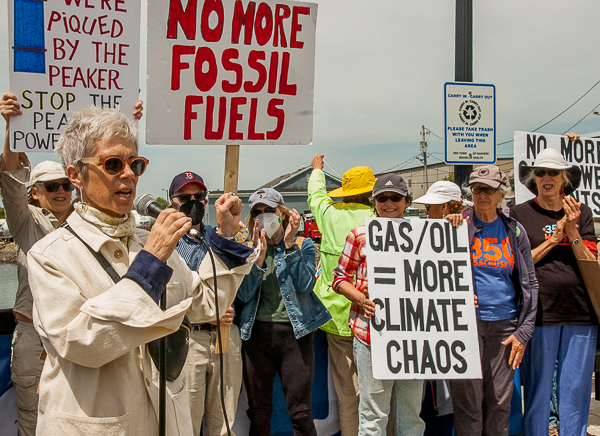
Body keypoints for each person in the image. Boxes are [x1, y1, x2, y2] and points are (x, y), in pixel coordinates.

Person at [26, 106, 257, 435]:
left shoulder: (149, 242)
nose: (129, 174)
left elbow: (206, 303)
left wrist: (224, 237)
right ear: (76, 175)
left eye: (135, 164)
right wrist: (150, 263)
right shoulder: (50, 255)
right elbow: (81, 344)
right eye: (112, 164)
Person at [0, 92, 142, 436]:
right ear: (35, 192)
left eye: (65, 184)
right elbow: (10, 181)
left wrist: (129, 122)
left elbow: (110, 178)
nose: (61, 191)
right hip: (38, 336)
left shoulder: (93, 223)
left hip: (92, 333)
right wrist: (10, 128)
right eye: (51, 187)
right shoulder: (27, 222)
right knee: (34, 421)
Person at [509, 147, 598, 436]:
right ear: (534, 179)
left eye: (553, 173)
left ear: (564, 179)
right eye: (540, 172)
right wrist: (554, 238)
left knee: (575, 389)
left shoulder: (582, 212)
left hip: (580, 312)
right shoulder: (518, 213)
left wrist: (572, 233)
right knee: (537, 387)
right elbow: (516, 264)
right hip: (540, 312)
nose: (546, 178)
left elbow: (591, 262)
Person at [447, 165, 538, 436]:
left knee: (500, 401)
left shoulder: (514, 230)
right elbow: (439, 275)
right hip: (467, 326)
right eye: (476, 189)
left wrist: (524, 331)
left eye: (489, 189)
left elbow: (530, 283)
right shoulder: (458, 226)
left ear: (502, 195)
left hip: (505, 328)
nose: (482, 195)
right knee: (468, 404)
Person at [332, 173, 425, 436]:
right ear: (374, 203)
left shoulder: (425, 234)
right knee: (373, 417)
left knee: (411, 417)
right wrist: (361, 299)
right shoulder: (359, 235)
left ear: (406, 201)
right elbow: (339, 278)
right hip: (371, 335)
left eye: (395, 198)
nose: (388, 204)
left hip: (414, 338)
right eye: (382, 198)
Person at [236, 188, 331, 435]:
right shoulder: (248, 249)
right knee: (258, 411)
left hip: (294, 337)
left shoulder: (303, 244)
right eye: (257, 212)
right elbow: (243, 295)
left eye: (268, 210)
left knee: (300, 412)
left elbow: (306, 284)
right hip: (257, 336)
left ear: (282, 213)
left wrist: (289, 247)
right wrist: (258, 257)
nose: (263, 216)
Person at [168, 170, 245, 436]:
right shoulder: (164, 242)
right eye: (184, 196)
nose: (192, 201)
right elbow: (170, 295)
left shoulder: (221, 235)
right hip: (189, 340)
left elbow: (243, 286)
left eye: (198, 196)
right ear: (171, 202)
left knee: (224, 423)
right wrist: (208, 310)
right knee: (185, 421)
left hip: (226, 338)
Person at [307, 154, 376, 435]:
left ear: (345, 194)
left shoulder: (329, 215)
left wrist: (317, 171)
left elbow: (316, 196)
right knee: (377, 396)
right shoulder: (380, 219)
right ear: (371, 193)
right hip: (373, 318)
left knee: (348, 394)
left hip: (335, 317)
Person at [412, 180, 470, 436]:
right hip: (425, 323)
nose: (427, 213)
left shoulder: (467, 231)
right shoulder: (420, 231)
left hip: (449, 327)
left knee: (446, 396)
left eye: (431, 207)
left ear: (446, 207)